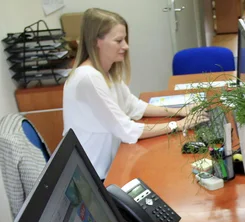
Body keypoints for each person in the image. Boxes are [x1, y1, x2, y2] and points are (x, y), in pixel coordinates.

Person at [63, 8, 207, 179]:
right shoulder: (88, 78)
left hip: (110, 163)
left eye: (125, 39)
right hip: (92, 175)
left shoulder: (106, 72)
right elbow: (127, 129)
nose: (126, 46)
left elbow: (133, 106)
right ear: (96, 42)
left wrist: (179, 111)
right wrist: (179, 125)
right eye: (119, 41)